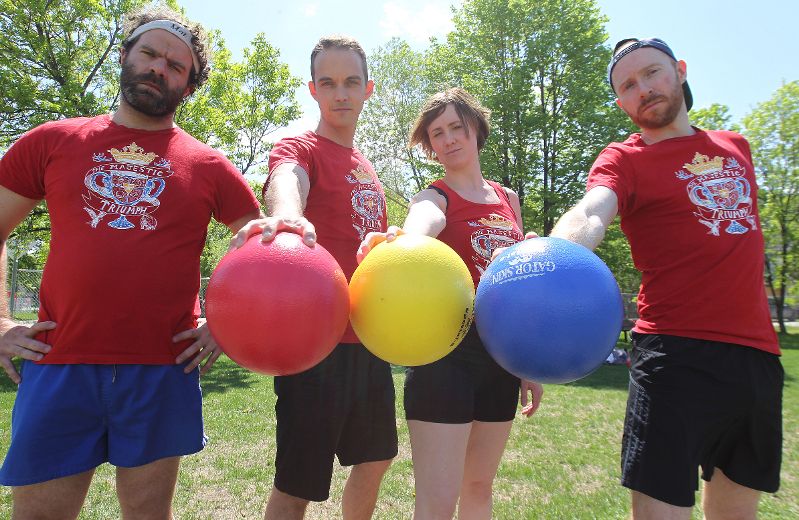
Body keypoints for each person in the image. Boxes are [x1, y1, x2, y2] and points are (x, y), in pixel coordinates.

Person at [0, 5, 262, 518]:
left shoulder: (209, 166)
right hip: (60, 362)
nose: (158, 68)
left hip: (161, 369)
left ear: (188, 86)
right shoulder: (53, 141)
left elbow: (262, 248)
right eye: (149, 53)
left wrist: (226, 325)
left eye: (175, 65)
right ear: (125, 56)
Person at [548, 38, 783, 519]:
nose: (644, 89)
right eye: (628, 86)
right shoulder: (624, 159)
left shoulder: (736, 147)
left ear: (679, 70)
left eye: (652, 73)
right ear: (621, 103)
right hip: (675, 359)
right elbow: (593, 211)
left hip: (757, 360)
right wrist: (553, 256)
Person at [229, 35, 397, 520]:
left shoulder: (367, 167)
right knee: (299, 482)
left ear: (368, 90)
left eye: (351, 82)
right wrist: (289, 215)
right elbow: (287, 177)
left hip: (367, 339)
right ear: (313, 90)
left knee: (376, 458)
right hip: (313, 344)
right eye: (328, 83)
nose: (340, 92)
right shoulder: (301, 146)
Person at [357, 87, 544, 520]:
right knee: (437, 503)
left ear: (476, 129)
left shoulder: (508, 200)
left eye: (456, 127)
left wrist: (526, 363)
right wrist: (404, 240)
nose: (448, 139)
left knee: (479, 487)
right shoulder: (434, 196)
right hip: (445, 357)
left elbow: (518, 288)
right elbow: (425, 222)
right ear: (430, 146)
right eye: (437, 133)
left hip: (500, 358)